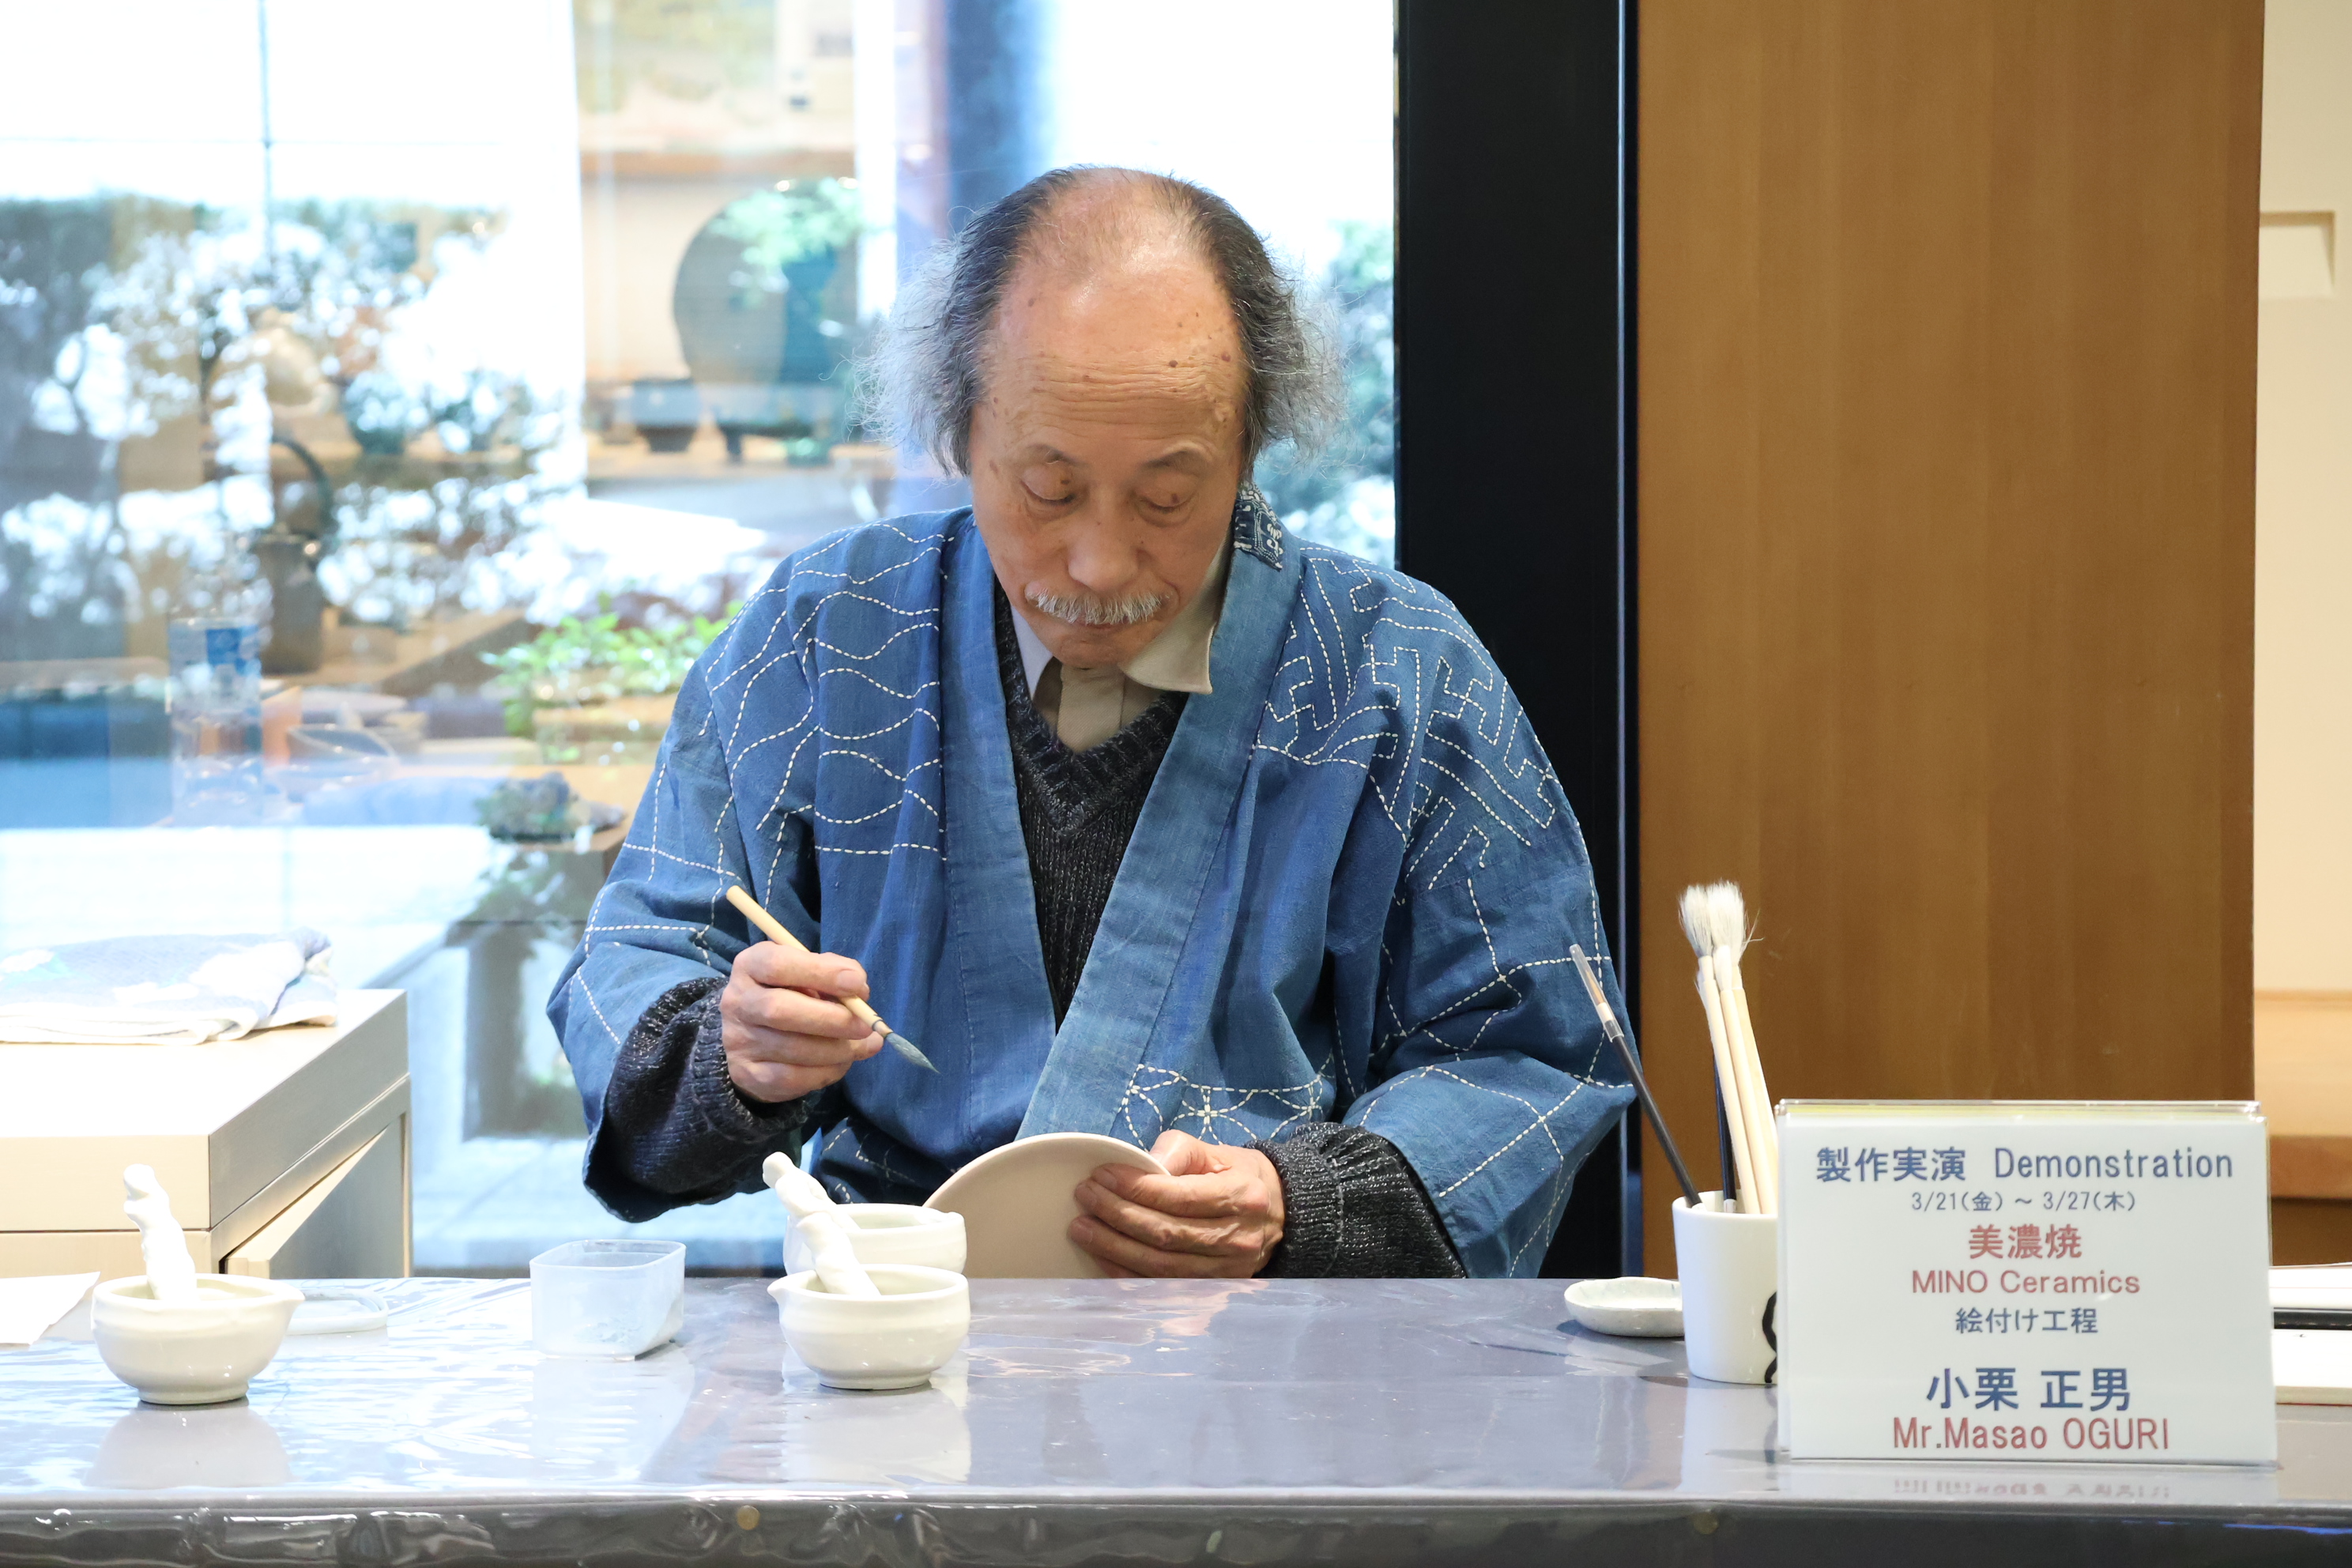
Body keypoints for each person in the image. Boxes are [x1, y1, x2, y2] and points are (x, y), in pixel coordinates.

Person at [550, 167, 1633, 1279]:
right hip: (897, 1331)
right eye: (1049, 489)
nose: (1101, 564)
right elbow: (644, 953)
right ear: (959, 429)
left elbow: (1530, 1047)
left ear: (1253, 447)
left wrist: (1300, 1200)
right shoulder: (826, 637)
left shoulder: (1397, 669)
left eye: (1168, 497)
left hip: (1261, 1361)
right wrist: (738, 1055)